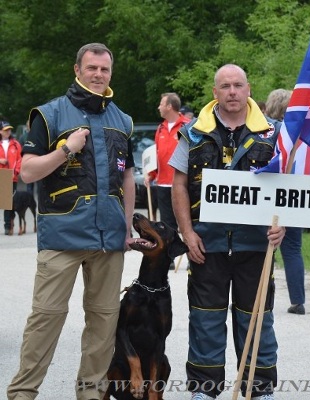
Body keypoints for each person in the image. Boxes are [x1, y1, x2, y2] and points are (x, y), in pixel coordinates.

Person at [7, 42, 135, 400]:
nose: (98, 75)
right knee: (45, 319)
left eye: (104, 69)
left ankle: (91, 395)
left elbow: (127, 179)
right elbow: (28, 172)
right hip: (62, 236)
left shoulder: (122, 120)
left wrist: (126, 229)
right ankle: (21, 394)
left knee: (104, 322)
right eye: (91, 68)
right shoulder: (48, 115)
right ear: (77, 70)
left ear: (111, 73)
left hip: (109, 240)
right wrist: (67, 148)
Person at [169, 64, 285, 400]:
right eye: (225, 86)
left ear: (249, 89)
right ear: (214, 92)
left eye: (237, 85)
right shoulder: (191, 133)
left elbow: (292, 186)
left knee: (258, 321)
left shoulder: (274, 133)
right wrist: (187, 234)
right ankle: (204, 390)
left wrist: (283, 226)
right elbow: (178, 184)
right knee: (205, 320)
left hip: (256, 246)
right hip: (206, 244)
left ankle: (259, 389)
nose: (232, 91)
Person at [265, 88, 306, 314]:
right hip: (293, 193)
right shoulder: (298, 131)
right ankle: (298, 300)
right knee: (293, 249)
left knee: (263, 244)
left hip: (269, 193)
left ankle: (260, 293)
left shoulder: (267, 130)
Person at [145, 92, 190, 268]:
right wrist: (152, 175)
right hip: (163, 183)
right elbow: (158, 155)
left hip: (182, 184)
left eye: (161, 104)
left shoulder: (187, 126)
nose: (159, 107)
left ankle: (191, 255)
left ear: (169, 106)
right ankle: (168, 258)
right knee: (166, 224)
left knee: (186, 221)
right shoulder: (161, 128)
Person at [0, 120, 22, 235]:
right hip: (2, 174)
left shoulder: (16, 144)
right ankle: (8, 225)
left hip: (12, 176)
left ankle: (9, 225)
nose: (8, 131)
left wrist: (17, 171)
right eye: (5, 130)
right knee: (5, 202)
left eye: (9, 129)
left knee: (10, 202)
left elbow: (19, 159)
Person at [19, 119, 35, 195]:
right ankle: (30, 199)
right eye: (29, 126)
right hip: (28, 162)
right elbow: (19, 149)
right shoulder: (23, 137)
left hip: (36, 161)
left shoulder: (37, 135)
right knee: (29, 183)